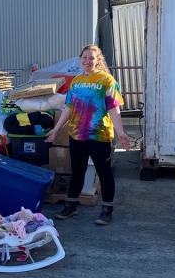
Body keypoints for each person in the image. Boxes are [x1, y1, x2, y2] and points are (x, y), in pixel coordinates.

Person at [45, 44, 130, 225]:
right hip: (77, 135)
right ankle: (71, 206)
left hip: (99, 135)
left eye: (91, 58)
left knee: (104, 172)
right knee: (77, 171)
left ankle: (107, 210)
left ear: (98, 60)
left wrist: (120, 131)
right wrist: (57, 129)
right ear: (80, 59)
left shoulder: (106, 80)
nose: (87, 61)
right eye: (84, 57)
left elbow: (114, 108)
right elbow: (69, 107)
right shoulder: (75, 82)